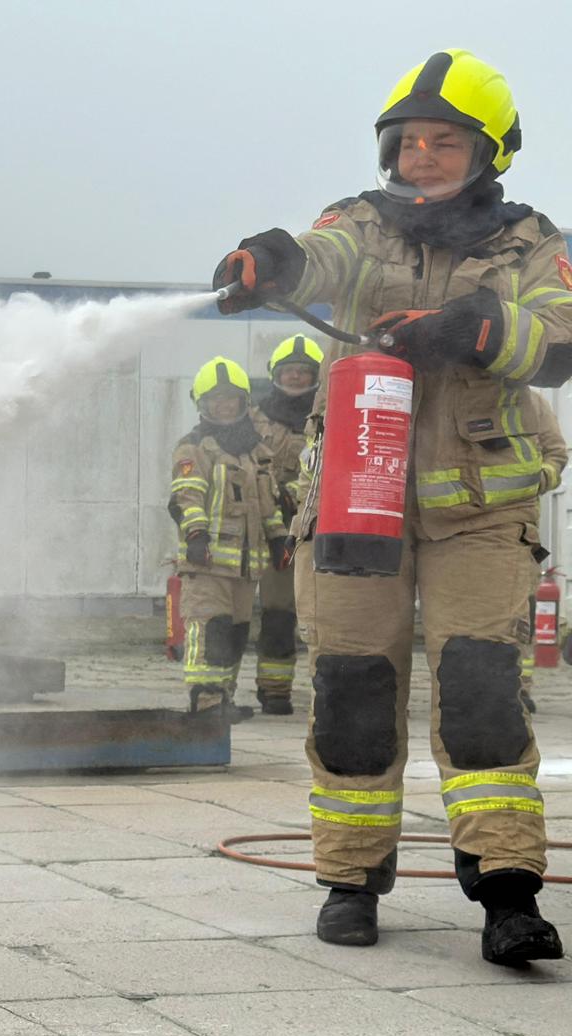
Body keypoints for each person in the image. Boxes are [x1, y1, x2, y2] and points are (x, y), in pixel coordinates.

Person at [213, 48, 572, 963]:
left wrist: (479, 326)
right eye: (407, 141)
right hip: (354, 507)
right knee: (352, 687)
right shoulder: (362, 223)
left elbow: (562, 340)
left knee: (482, 692)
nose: (421, 156)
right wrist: (272, 258)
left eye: (443, 141)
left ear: (489, 149)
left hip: (483, 510)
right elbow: (321, 257)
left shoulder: (532, 243)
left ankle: (506, 891)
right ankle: (349, 879)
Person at [169, 356, 287, 716]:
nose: (224, 404)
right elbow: (186, 493)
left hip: (245, 566)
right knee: (210, 629)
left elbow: (269, 504)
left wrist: (280, 538)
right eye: (216, 398)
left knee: (235, 633)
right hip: (207, 561)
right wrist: (196, 534)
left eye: (231, 397)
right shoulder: (194, 447)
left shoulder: (256, 452)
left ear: (243, 401)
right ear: (202, 403)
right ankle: (205, 699)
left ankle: (225, 697)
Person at [248, 334, 324, 714]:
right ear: (275, 374)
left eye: (304, 371)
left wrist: (297, 490)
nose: (296, 377)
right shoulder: (253, 416)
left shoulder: (332, 414)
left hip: (316, 527)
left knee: (322, 615)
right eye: (289, 371)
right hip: (273, 531)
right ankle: (274, 691)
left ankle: (328, 691)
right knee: (277, 612)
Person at [519, 391, 567, 712]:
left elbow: (557, 454)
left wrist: (537, 479)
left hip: (519, 531)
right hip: (456, 533)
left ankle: (520, 688)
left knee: (521, 613)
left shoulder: (533, 403)